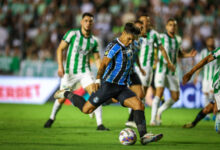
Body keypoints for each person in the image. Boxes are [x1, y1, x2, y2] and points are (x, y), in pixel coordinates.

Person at [54, 22, 163, 145]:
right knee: (86, 110)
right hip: (108, 85)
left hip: (122, 87)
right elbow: (104, 64)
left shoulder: (132, 42)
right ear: (124, 33)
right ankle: (66, 93)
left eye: (133, 40)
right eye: (129, 39)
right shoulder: (114, 46)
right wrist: (98, 79)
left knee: (139, 105)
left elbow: (141, 37)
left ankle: (144, 136)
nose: (130, 42)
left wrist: (142, 31)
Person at [44, 12, 109, 131]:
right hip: (69, 72)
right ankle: (51, 118)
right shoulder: (72, 34)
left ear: (92, 23)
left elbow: (97, 59)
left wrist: (101, 74)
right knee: (61, 98)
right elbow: (60, 49)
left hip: (85, 72)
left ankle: (100, 124)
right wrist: (60, 66)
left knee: (96, 94)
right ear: (81, 22)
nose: (88, 23)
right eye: (86, 21)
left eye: (90, 21)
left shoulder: (94, 41)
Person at [151, 18, 197, 125]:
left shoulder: (178, 39)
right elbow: (155, 50)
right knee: (159, 93)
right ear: (166, 26)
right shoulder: (161, 37)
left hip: (172, 72)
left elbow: (179, 53)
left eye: (174, 25)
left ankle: (159, 111)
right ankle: (153, 120)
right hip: (161, 69)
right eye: (170, 25)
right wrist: (155, 59)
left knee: (176, 97)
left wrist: (189, 55)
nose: (172, 27)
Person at [183, 47, 220, 133]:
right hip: (218, 85)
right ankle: (194, 123)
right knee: (211, 110)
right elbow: (207, 59)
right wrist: (191, 72)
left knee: (211, 108)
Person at [125, 20, 146, 128]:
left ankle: (130, 120)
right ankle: (100, 101)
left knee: (140, 95)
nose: (140, 30)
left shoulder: (140, 41)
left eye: (141, 28)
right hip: (123, 72)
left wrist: (141, 67)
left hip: (132, 71)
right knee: (114, 97)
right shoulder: (128, 39)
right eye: (138, 28)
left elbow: (135, 55)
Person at [193, 36, 217, 120]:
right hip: (205, 79)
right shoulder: (203, 52)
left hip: (214, 78)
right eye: (209, 40)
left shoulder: (217, 52)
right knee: (205, 95)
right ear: (207, 42)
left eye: (212, 40)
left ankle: (215, 113)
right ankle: (206, 115)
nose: (211, 42)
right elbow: (200, 65)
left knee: (212, 94)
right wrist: (196, 76)